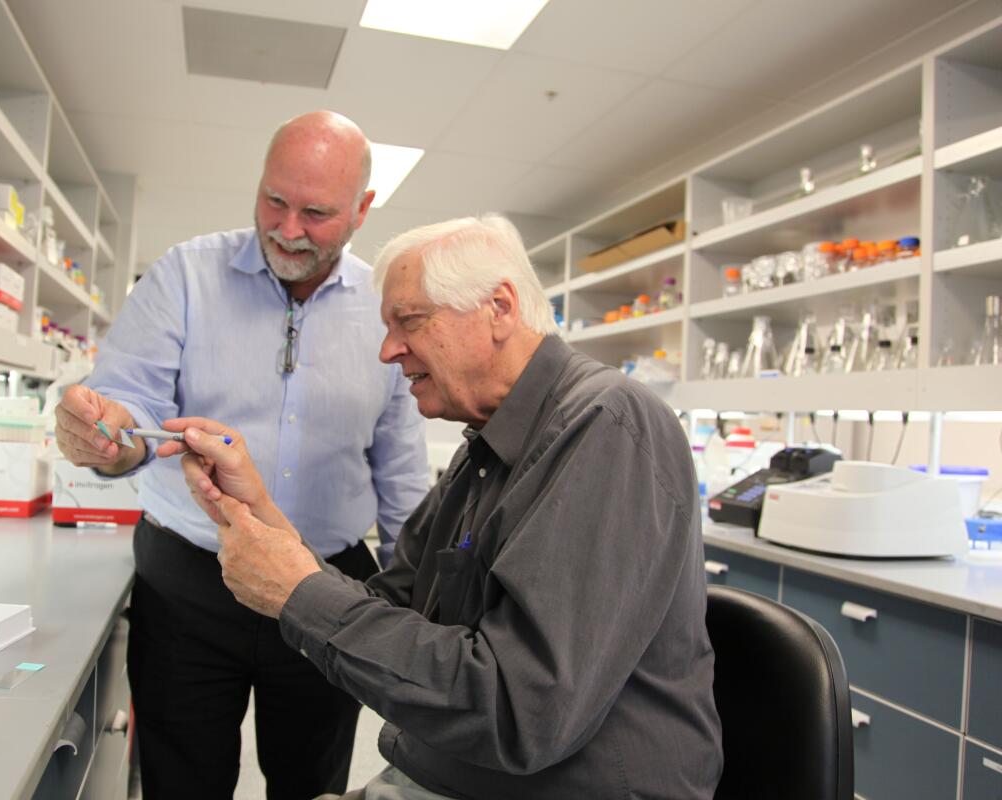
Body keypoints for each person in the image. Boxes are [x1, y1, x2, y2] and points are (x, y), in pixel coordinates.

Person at [168, 214, 724, 799]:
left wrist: (295, 592)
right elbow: (386, 607)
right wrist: (257, 510)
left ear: (500, 308)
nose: (388, 351)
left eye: (409, 321)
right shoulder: (486, 447)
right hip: (450, 775)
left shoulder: (606, 426)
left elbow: (521, 711)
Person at [53, 111, 430, 799]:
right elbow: (126, 406)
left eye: (316, 213)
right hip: (188, 584)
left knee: (311, 781)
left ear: (361, 210)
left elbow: (402, 475)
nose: (288, 230)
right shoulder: (186, 276)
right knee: (180, 781)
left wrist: (427, 609)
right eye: (274, 201)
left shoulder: (385, 306)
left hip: (326, 586)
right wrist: (104, 433)